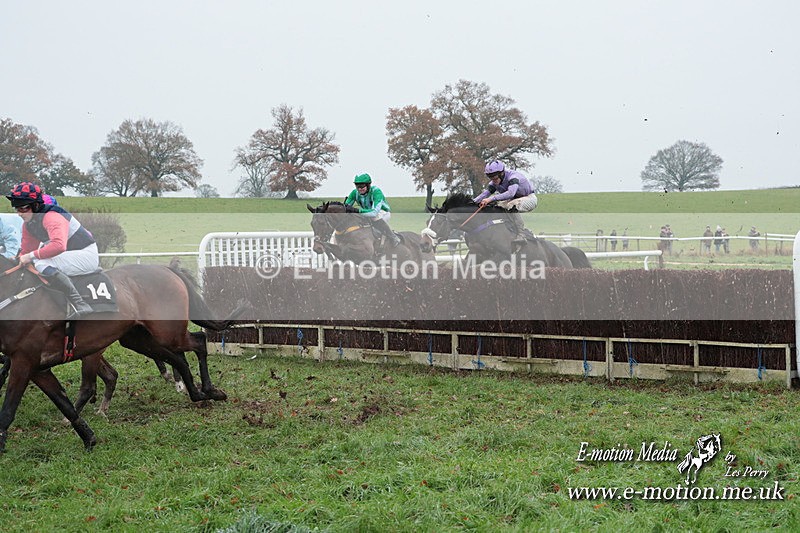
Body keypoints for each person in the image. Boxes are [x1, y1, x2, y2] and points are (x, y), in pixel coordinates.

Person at [6, 182, 97, 319]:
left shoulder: (52, 216)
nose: (19, 214)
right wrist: (17, 258)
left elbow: (59, 245)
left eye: (23, 209)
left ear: (35, 205)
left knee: (42, 263)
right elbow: (26, 251)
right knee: (34, 261)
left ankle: (80, 304)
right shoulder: (29, 224)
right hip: (68, 256)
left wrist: (30, 256)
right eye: (17, 209)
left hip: (86, 255)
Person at [473, 160, 538, 245]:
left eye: (495, 176)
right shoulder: (494, 182)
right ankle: (507, 228)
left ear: (501, 173)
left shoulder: (513, 177)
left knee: (511, 205)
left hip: (529, 198)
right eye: (490, 177)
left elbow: (511, 193)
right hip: (514, 199)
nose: (493, 179)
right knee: (496, 206)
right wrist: (471, 202)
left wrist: (491, 199)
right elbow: (485, 194)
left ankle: (521, 234)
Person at [344, 173, 401, 247]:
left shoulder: (376, 191)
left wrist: (356, 211)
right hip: (367, 212)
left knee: (374, 217)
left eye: (362, 186)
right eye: (357, 186)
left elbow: (374, 212)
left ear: (368, 185)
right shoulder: (354, 193)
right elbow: (345, 207)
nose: (359, 189)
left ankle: (393, 237)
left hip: (382, 212)